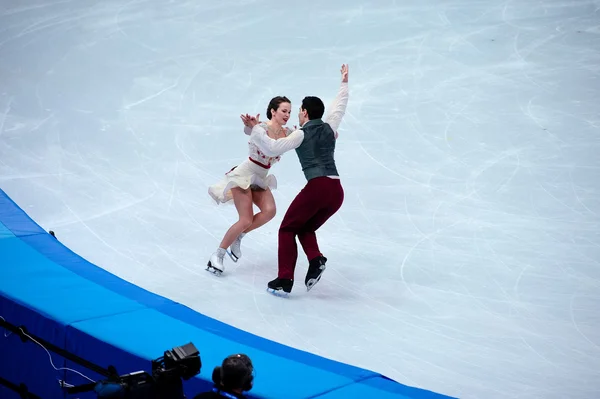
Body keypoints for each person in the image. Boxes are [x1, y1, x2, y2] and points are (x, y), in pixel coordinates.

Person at [245, 64, 350, 295]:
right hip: (336, 191)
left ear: (305, 113)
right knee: (305, 228)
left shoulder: (300, 134)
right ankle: (316, 259)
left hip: (318, 187)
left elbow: (271, 148)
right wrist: (344, 83)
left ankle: (285, 279)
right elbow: (339, 108)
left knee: (287, 229)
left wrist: (256, 129)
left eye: (300, 111)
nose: (298, 114)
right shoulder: (330, 127)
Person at [206, 96, 293, 275]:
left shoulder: (287, 133)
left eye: (289, 112)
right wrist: (250, 125)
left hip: (261, 177)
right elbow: (249, 131)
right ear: (273, 111)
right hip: (244, 175)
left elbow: (301, 137)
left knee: (270, 211)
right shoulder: (260, 128)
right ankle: (218, 255)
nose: (287, 115)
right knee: (245, 219)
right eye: (284, 111)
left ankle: (240, 235)